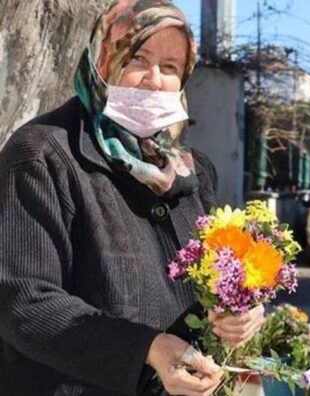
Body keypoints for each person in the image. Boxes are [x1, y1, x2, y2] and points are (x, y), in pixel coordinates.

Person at [0, 1, 264, 395]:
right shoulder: (42, 154)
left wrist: (238, 308)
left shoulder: (192, 169)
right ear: (104, 59)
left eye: (171, 67)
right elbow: (23, 301)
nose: (155, 80)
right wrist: (147, 348)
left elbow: (212, 274)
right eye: (138, 57)